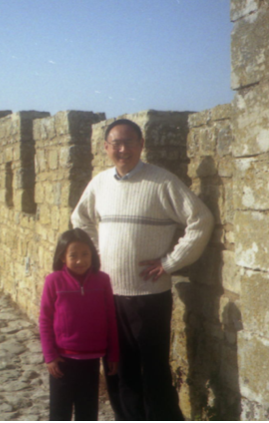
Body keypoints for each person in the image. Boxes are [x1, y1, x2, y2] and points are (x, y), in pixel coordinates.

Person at [71, 119, 214, 420]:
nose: (122, 149)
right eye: (116, 144)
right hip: (108, 295)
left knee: (153, 371)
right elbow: (80, 220)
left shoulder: (162, 182)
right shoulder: (100, 183)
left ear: (141, 144)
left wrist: (170, 263)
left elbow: (201, 219)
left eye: (129, 142)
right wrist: (97, 253)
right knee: (117, 370)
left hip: (149, 297)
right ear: (106, 147)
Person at [39, 228, 120, 421]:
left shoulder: (102, 280)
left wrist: (113, 354)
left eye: (85, 254)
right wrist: (50, 356)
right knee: (60, 412)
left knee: (88, 411)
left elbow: (111, 318)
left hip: (91, 359)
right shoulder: (54, 281)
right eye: (73, 255)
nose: (80, 260)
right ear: (62, 257)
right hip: (61, 361)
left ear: (93, 255)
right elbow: (45, 320)